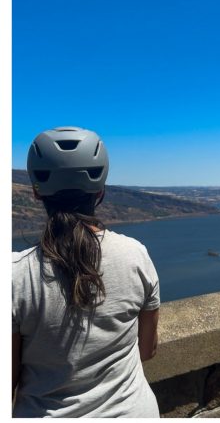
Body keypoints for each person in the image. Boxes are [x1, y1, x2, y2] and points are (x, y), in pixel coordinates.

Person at [12, 127, 160, 417]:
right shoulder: (136, 255)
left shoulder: (15, 276)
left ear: (35, 192)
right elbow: (147, 350)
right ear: (101, 191)